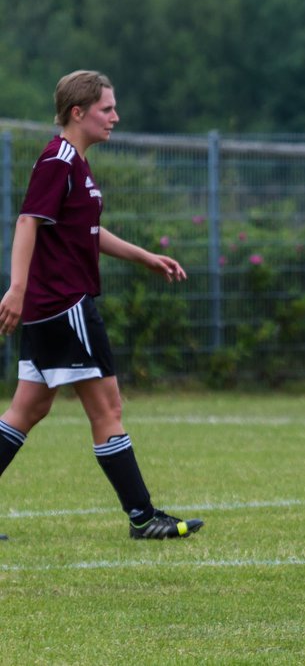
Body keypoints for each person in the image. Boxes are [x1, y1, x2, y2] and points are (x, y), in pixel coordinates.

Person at [0, 70, 204, 540]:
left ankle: (142, 515)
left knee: (27, 410)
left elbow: (85, 233)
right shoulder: (60, 159)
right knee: (108, 410)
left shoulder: (76, 163)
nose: (115, 116)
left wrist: (143, 256)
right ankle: (143, 517)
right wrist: (16, 287)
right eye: (106, 108)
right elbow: (28, 221)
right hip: (65, 306)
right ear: (79, 112)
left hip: (51, 308)